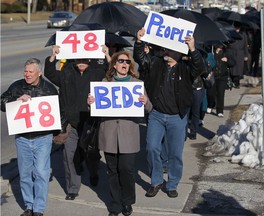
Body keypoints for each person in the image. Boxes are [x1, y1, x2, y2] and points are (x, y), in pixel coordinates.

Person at [133, 28, 206, 198]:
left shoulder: (186, 68)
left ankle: (172, 183)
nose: (166, 51)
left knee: (174, 153)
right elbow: (140, 59)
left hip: (177, 117)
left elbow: (200, 67)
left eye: (170, 49)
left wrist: (193, 48)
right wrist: (138, 41)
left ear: (179, 53)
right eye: (166, 49)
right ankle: (156, 181)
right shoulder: (156, 63)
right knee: (151, 148)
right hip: (156, 115)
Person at [87, 50, 153, 216]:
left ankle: (127, 201)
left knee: (126, 169)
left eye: (127, 62)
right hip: (109, 133)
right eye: (121, 61)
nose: (124, 64)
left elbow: (150, 108)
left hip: (128, 134)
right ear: (114, 64)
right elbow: (94, 109)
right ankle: (115, 205)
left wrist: (145, 102)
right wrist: (90, 103)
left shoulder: (137, 83)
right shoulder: (104, 83)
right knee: (112, 171)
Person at [44, 45, 110, 201]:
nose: (80, 62)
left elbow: (110, 71)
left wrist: (107, 54)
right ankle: (73, 188)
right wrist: (53, 56)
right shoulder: (66, 73)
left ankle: (93, 172)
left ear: (89, 60)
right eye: (78, 60)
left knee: (92, 155)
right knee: (69, 156)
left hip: (90, 123)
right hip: (71, 124)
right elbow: (50, 73)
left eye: (83, 60)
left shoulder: (96, 73)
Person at [0, 58, 59, 216]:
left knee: (41, 172)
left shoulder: (49, 89)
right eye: (25, 71)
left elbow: (59, 112)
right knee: (25, 174)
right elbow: (1, 102)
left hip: (43, 138)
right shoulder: (17, 86)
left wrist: (57, 133)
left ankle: (39, 208)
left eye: (30, 72)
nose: (27, 74)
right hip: (23, 138)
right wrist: (15, 100)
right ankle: (29, 206)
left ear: (39, 73)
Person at [207, 43, 236, 117]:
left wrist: (227, 60)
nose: (220, 48)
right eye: (219, 46)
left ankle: (220, 110)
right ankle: (210, 105)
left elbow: (233, 63)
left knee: (220, 93)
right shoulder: (211, 52)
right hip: (212, 76)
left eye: (221, 46)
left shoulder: (226, 53)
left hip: (222, 77)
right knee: (211, 93)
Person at [227, 22, 249, 88]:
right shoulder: (231, 33)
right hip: (232, 53)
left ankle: (237, 82)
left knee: (239, 69)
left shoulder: (243, 34)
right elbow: (229, 44)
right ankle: (233, 80)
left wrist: (246, 55)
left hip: (240, 53)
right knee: (233, 68)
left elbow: (245, 45)